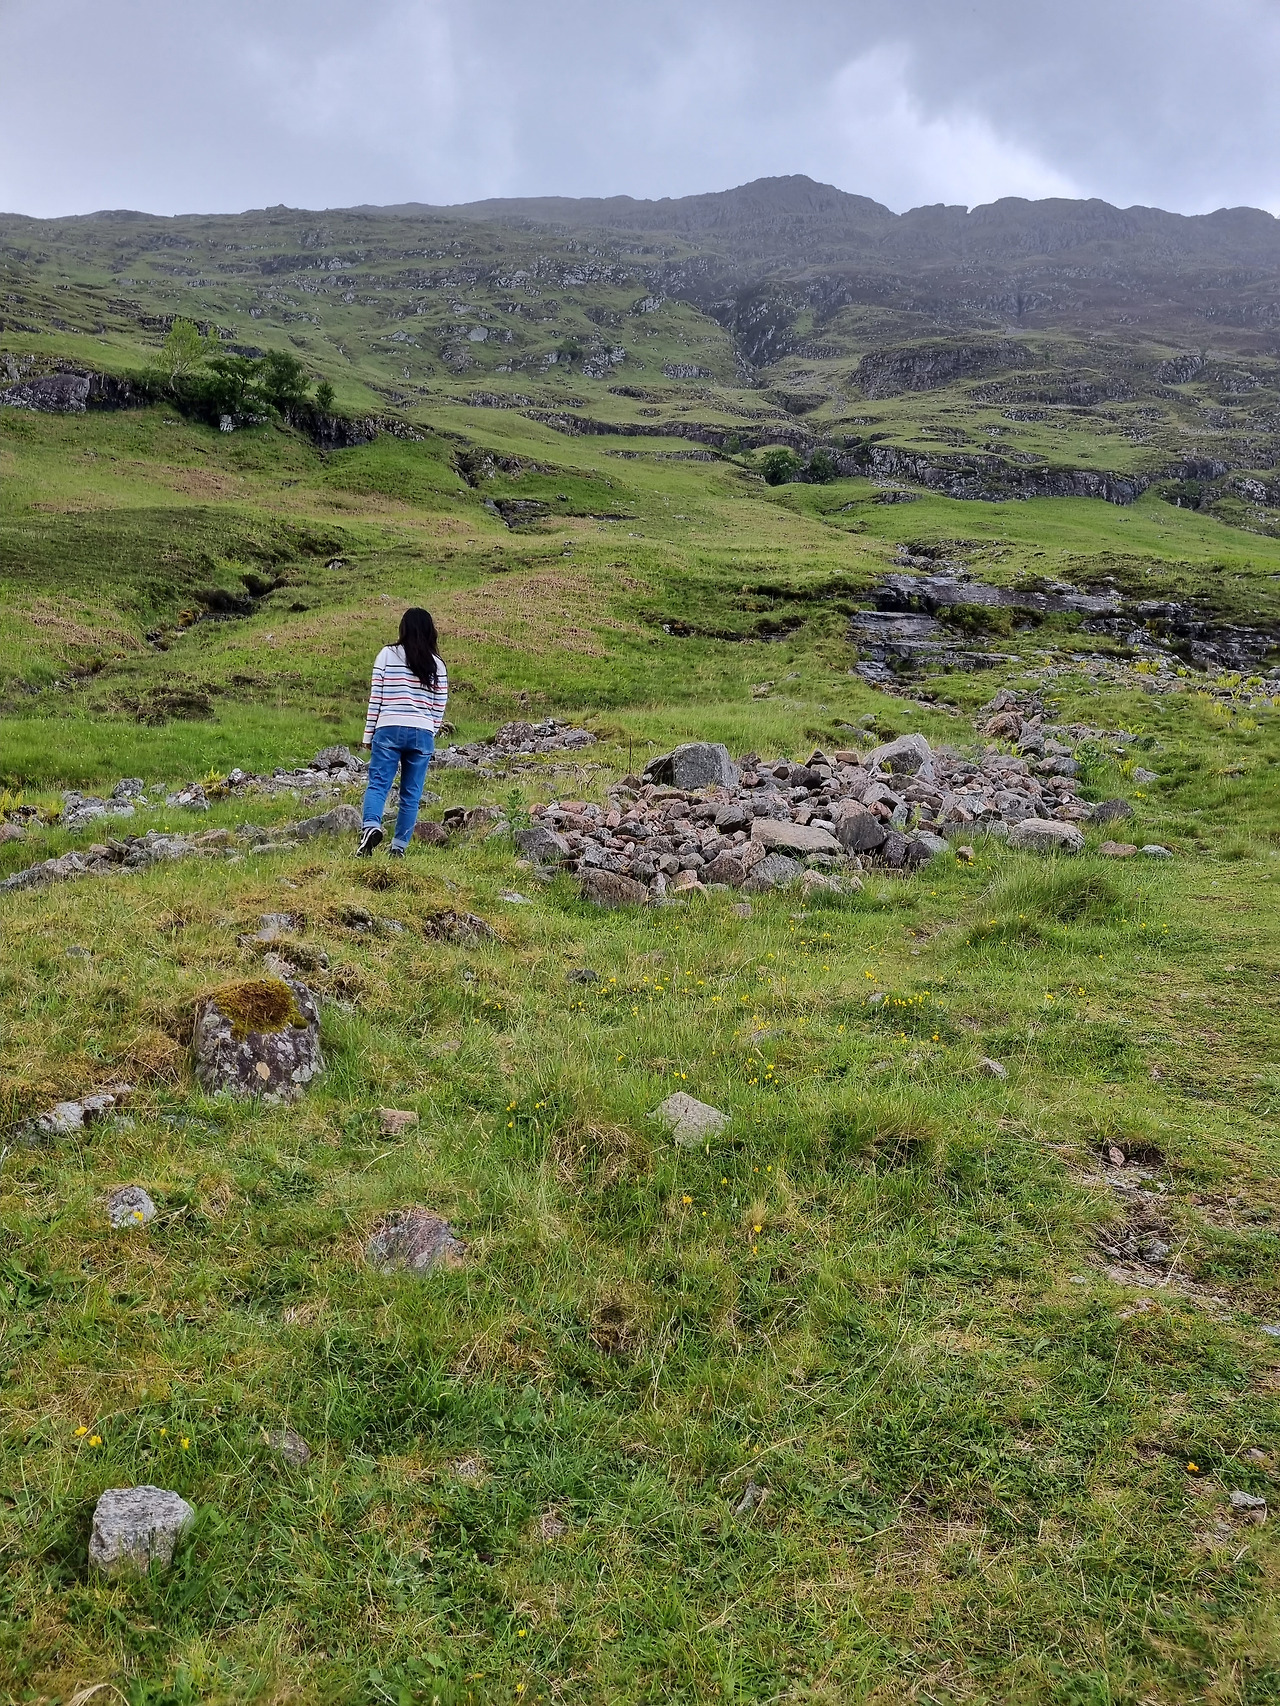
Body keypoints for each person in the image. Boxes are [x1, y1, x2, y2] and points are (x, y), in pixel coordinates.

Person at [357, 608, 448, 857]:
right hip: (422, 732)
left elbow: (376, 697)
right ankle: (398, 848)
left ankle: (371, 827)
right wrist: (431, 730)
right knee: (411, 794)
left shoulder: (386, 655)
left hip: (388, 727)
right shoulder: (437, 663)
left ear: (403, 628)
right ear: (430, 631)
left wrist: (368, 735)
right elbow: (440, 704)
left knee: (378, 784)